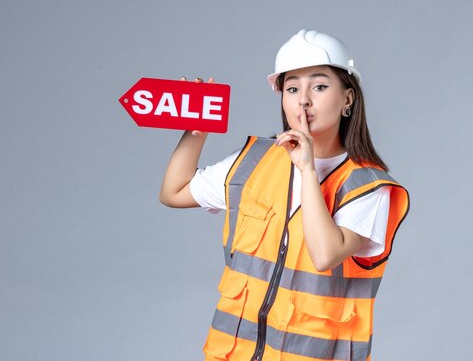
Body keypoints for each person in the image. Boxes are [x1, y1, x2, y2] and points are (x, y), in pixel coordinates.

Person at [160, 29, 410, 361]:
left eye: (319, 86)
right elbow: (174, 192)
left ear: (347, 99)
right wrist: (196, 131)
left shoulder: (367, 187)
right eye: (292, 88)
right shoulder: (253, 161)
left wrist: (307, 169)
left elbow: (325, 256)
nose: (303, 100)